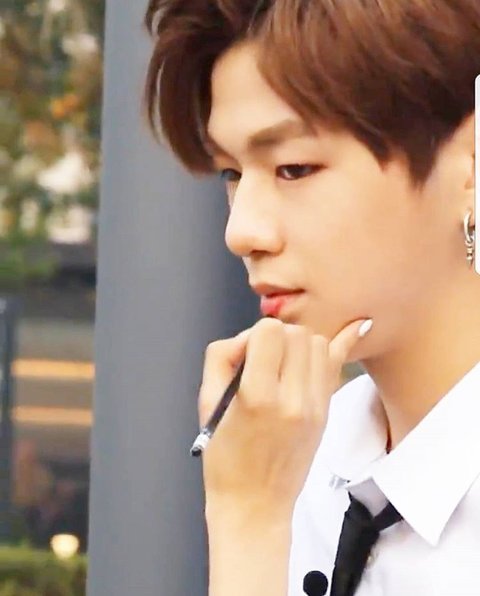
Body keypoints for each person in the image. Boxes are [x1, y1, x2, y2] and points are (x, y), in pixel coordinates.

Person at [143, 1, 480, 594]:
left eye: (293, 168)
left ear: (471, 164)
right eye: (232, 174)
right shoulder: (298, 455)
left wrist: (250, 520)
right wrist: (249, 511)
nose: (242, 231)